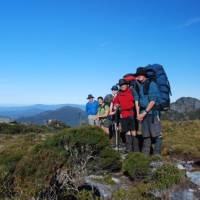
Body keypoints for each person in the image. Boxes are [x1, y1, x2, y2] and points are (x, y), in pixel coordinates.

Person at [134, 67, 162, 155]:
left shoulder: (151, 84)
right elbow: (138, 100)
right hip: (144, 113)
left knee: (157, 135)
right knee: (146, 136)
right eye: (137, 75)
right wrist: (139, 114)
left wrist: (144, 113)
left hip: (152, 113)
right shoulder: (140, 85)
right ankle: (145, 157)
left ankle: (157, 157)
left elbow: (153, 101)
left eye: (140, 75)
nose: (138, 77)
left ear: (144, 75)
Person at [113, 79, 139, 152]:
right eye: (121, 85)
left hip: (131, 113)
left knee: (133, 131)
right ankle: (129, 149)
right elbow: (115, 102)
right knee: (127, 132)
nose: (122, 86)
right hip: (123, 114)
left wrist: (138, 113)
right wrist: (116, 105)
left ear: (127, 85)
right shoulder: (119, 94)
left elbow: (136, 100)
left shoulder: (131, 91)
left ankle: (136, 149)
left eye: (123, 84)